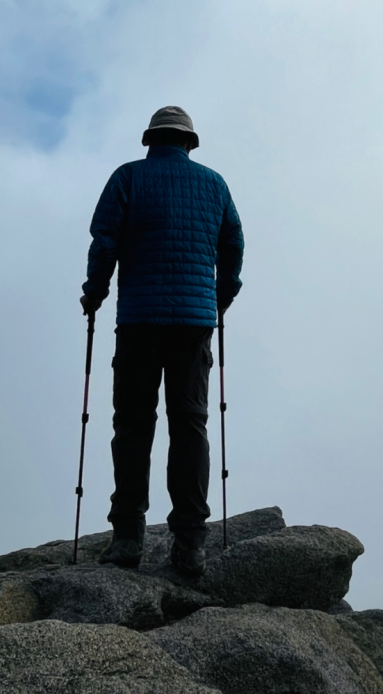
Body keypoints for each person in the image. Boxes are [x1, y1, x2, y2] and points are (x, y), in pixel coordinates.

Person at [80, 106, 244, 576]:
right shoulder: (215, 185)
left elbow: (104, 240)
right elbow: (233, 243)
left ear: (150, 139)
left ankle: (128, 537)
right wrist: (221, 296)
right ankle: (190, 544)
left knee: (133, 425)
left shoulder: (127, 177)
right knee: (190, 426)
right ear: (189, 143)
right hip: (194, 324)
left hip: (138, 322)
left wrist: (95, 292)